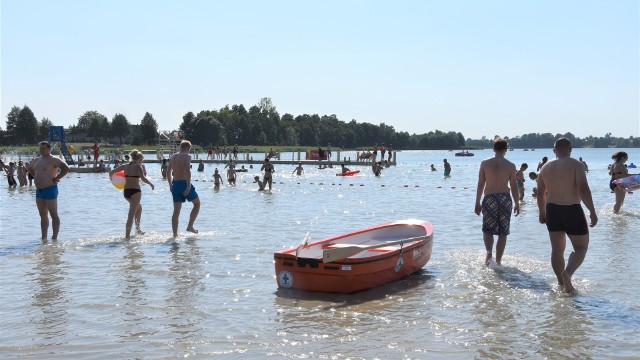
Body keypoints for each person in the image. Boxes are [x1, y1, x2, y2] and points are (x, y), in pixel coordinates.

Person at [537, 138, 597, 293]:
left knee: (557, 249)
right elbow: (583, 189)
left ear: (554, 150)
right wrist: (592, 211)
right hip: (571, 209)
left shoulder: (545, 167)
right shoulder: (577, 165)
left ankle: (561, 284)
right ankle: (568, 273)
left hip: (552, 210)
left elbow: (540, 194)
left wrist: (541, 212)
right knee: (581, 248)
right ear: (571, 149)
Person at [474, 138, 520, 266]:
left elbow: (480, 184)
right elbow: (514, 187)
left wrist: (477, 202)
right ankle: (499, 262)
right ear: (506, 149)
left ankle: (489, 252)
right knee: (503, 232)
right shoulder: (511, 165)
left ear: (493, 149)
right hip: (505, 198)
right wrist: (517, 203)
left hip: (490, 198)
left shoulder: (485, 163)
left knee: (488, 229)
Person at [27, 141, 70, 240]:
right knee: (43, 215)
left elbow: (66, 168)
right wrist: (34, 176)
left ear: (49, 149)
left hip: (50, 189)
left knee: (53, 214)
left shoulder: (54, 159)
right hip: (39, 190)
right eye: (40, 148)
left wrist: (56, 178)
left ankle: (54, 238)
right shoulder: (36, 160)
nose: (41, 150)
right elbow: (31, 170)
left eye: (44, 148)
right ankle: (44, 238)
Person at [109, 149, 155, 239]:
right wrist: (150, 184)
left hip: (126, 192)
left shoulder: (125, 166)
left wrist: (113, 181)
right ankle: (127, 237)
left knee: (139, 208)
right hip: (135, 192)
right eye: (141, 160)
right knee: (131, 214)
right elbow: (143, 178)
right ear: (139, 159)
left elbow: (111, 172)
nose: (141, 162)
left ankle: (138, 230)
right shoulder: (138, 167)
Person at [167, 140, 200, 237]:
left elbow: (168, 172)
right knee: (197, 204)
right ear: (188, 148)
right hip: (184, 183)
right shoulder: (187, 156)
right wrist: (188, 185)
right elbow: (187, 170)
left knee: (176, 211)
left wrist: (170, 185)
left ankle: (175, 235)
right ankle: (190, 226)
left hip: (175, 184)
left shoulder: (173, 156)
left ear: (180, 147)